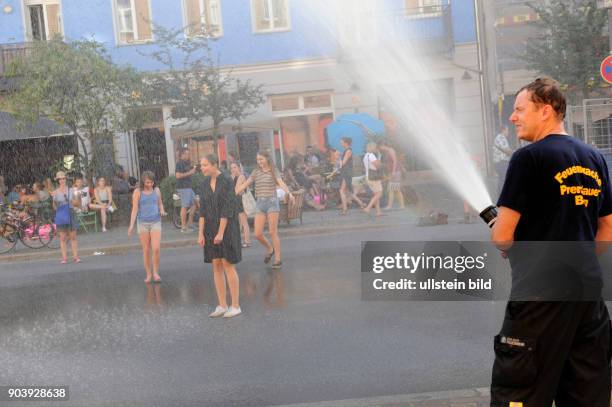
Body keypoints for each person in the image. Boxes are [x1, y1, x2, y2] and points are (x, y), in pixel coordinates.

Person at [490, 78, 612, 406]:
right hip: (589, 295)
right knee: (587, 390)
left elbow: (502, 235)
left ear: (546, 111)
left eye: (519, 109)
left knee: (521, 388)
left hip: (538, 299)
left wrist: (508, 244)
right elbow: (608, 229)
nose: (512, 117)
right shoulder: (593, 157)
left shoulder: (528, 159)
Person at [198, 154, 243, 318]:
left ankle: (236, 305)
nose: (202, 168)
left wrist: (221, 232)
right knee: (215, 264)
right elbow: (202, 209)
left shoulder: (226, 181)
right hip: (210, 227)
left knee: (227, 263)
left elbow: (228, 208)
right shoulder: (203, 184)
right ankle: (222, 305)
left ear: (214, 165)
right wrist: (200, 233)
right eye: (201, 165)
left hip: (227, 227)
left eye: (205, 165)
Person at [236, 150, 294, 269]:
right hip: (260, 203)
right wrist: (236, 190)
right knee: (257, 234)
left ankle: (278, 259)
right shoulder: (256, 171)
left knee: (273, 232)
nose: (259, 162)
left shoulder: (274, 170)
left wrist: (289, 193)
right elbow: (247, 182)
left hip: (272, 202)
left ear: (267, 159)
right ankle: (270, 248)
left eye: (261, 159)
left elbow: (280, 183)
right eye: (258, 160)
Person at [128, 171, 166, 284]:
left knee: (156, 248)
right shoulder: (137, 192)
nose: (150, 184)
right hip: (142, 223)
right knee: (146, 249)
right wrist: (131, 226)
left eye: (152, 182)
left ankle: (155, 272)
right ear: (143, 182)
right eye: (148, 182)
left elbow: (160, 203)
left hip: (155, 221)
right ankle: (149, 274)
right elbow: (134, 209)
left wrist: (162, 210)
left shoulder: (157, 190)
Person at [52, 171, 80, 264]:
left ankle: (76, 257)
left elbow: (77, 203)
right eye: (60, 179)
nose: (62, 180)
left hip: (70, 212)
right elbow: (55, 207)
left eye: (63, 178)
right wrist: (54, 200)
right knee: (63, 238)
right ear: (58, 180)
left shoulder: (71, 190)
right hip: (61, 214)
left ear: (66, 179)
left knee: (73, 236)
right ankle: (64, 258)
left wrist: (71, 201)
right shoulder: (55, 192)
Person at [332, 137, 366, 215]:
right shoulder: (346, 151)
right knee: (348, 191)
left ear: (346, 143)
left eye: (342, 142)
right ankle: (361, 204)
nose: (341, 143)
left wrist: (337, 157)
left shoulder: (348, 151)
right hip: (345, 172)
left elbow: (342, 163)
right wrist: (339, 155)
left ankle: (345, 209)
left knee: (342, 191)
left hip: (347, 173)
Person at [175, 147, 198, 233]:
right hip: (183, 187)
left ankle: (190, 223)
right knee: (184, 206)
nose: (188, 155)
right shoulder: (179, 163)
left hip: (188, 187)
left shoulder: (186, 163)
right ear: (182, 154)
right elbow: (177, 176)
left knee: (195, 204)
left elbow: (190, 171)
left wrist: (194, 168)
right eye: (187, 154)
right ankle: (183, 227)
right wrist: (190, 172)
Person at [230, 162, 252, 248]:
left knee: (243, 222)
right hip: (238, 200)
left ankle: (247, 241)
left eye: (234, 167)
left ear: (239, 168)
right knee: (239, 222)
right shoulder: (235, 177)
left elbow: (236, 190)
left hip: (241, 201)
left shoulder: (241, 176)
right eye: (231, 168)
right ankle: (240, 241)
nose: (233, 170)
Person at [379, 142, 405, 210]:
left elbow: (395, 161)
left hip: (395, 172)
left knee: (391, 189)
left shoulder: (391, 150)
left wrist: (393, 172)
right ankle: (402, 205)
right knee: (396, 189)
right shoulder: (388, 151)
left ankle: (390, 206)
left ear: (383, 145)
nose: (380, 148)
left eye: (380, 147)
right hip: (394, 172)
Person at [363, 142, 384, 217]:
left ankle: (378, 212)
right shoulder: (371, 155)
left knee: (376, 194)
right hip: (374, 178)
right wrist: (380, 162)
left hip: (368, 177)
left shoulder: (366, 155)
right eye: (375, 148)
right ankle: (368, 208)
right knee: (379, 194)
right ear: (372, 148)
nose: (376, 149)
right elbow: (378, 166)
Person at [493, 125, 513, 198]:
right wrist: (516, 153)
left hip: (502, 162)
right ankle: (502, 196)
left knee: (502, 178)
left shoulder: (503, 138)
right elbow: (506, 150)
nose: (508, 132)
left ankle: (502, 195)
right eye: (507, 130)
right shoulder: (500, 138)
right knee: (503, 178)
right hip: (501, 162)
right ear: (503, 130)